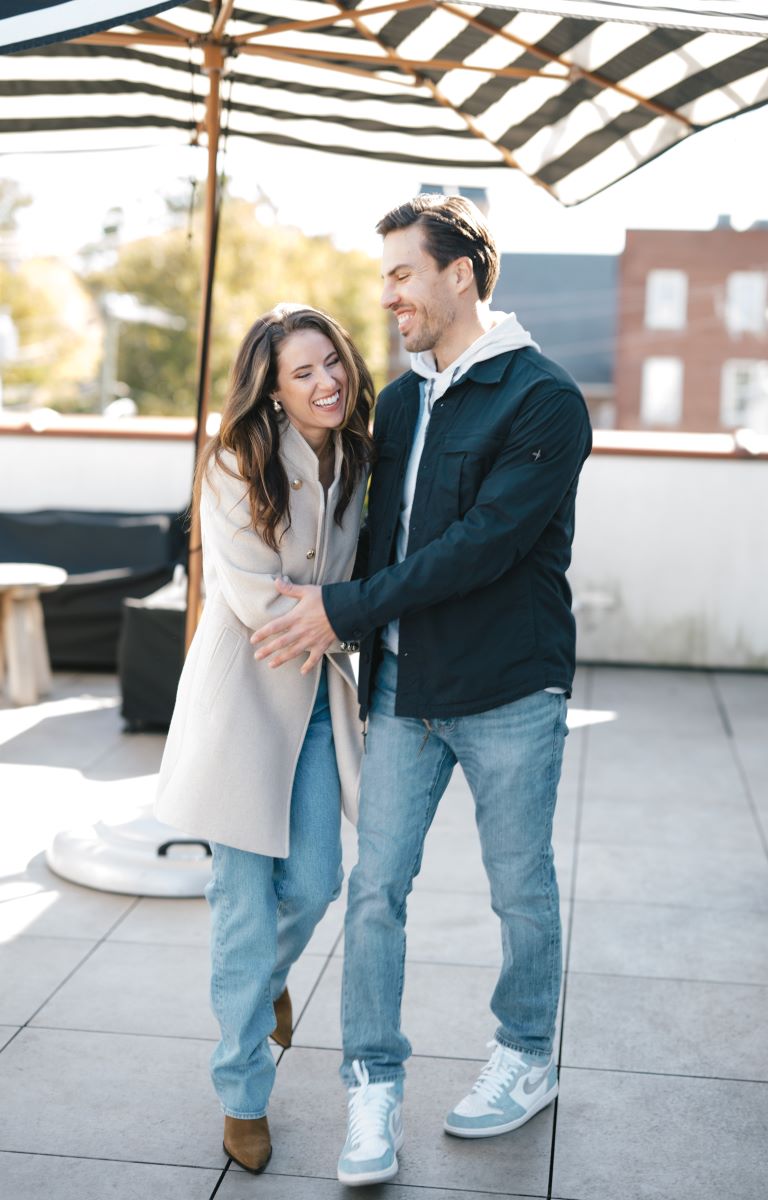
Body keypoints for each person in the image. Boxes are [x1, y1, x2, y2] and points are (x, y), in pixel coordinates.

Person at [251, 195, 592, 1185]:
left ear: (459, 272)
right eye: (386, 272)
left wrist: (341, 611)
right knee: (374, 893)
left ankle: (525, 1056)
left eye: (402, 271)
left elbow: (479, 548)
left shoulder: (541, 399)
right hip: (402, 688)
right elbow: (338, 503)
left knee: (517, 888)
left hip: (508, 692)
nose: (387, 291)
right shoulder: (397, 404)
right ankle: (371, 1083)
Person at [155, 303, 373, 1175]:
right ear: (274, 392)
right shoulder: (234, 460)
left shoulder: (359, 461)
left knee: (318, 881)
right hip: (243, 701)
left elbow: (358, 579)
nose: (327, 383)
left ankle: (267, 981)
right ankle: (242, 1092)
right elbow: (251, 597)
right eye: (303, 373)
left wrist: (340, 614)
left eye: (334, 364)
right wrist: (342, 615)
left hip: (318, 697)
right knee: (242, 910)